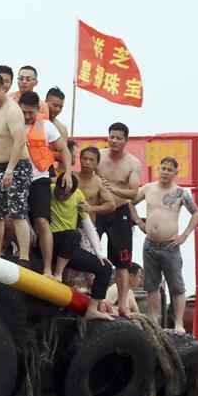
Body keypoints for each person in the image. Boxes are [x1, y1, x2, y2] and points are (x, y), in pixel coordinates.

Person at [131, 156, 198, 332]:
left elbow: (196, 214)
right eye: (163, 168)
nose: (165, 172)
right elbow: (130, 203)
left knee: (176, 286)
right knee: (151, 285)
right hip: (150, 244)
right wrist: (139, 222)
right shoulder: (148, 188)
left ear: (176, 173)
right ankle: (153, 319)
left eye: (169, 170)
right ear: (158, 169)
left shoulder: (180, 192)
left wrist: (184, 236)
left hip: (170, 245)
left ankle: (178, 322)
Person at [20, 90, 72, 276]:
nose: (26, 116)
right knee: (11, 219)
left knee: (42, 222)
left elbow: (64, 150)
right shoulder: (12, 122)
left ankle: (48, 268)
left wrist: (66, 172)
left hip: (39, 178)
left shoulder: (47, 125)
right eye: (23, 112)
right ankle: (20, 255)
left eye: (30, 113)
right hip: (17, 178)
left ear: (38, 110)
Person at [48, 175, 114, 322]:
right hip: (50, 242)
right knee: (73, 235)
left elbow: (88, 225)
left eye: (67, 194)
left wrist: (99, 254)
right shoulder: (48, 190)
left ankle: (92, 310)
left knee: (105, 268)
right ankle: (58, 274)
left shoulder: (78, 195)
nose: (62, 196)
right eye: (60, 192)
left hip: (69, 246)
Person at [96, 123, 143, 321]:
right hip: (97, 211)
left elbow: (133, 192)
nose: (113, 141)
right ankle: (91, 298)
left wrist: (112, 189)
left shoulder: (133, 163)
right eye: (111, 137)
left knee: (122, 263)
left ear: (126, 141)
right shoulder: (99, 156)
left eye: (118, 138)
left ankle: (122, 305)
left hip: (120, 212)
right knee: (92, 255)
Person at [0, 74, 31, 262]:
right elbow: (3, 133)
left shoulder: (12, 109)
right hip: (0, 167)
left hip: (18, 166)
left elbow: (20, 140)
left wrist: (10, 170)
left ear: (3, 88)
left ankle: (25, 257)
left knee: (17, 211)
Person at [76, 147, 116, 254]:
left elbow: (111, 205)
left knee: (90, 265)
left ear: (97, 163)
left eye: (91, 160)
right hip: (67, 227)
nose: (87, 162)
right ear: (80, 160)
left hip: (87, 230)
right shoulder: (71, 177)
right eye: (85, 158)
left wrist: (91, 208)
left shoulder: (99, 182)